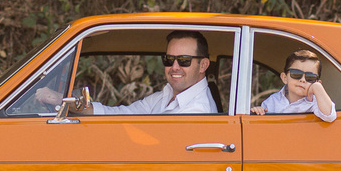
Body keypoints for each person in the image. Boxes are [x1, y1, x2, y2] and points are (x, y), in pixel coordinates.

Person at [35, 30, 218, 115]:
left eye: (184, 60)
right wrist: (64, 101)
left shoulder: (197, 110)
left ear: (203, 65)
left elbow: (151, 145)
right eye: (169, 60)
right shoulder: (166, 95)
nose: (175, 67)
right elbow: (122, 114)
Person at [251, 50, 336, 122]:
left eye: (310, 77)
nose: (303, 80)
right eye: (296, 74)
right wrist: (259, 111)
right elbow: (263, 124)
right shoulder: (273, 101)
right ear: (285, 78)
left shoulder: (314, 103)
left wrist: (317, 87)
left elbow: (329, 116)